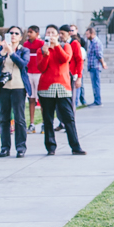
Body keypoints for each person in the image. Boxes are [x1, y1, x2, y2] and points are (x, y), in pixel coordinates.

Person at [38, 25, 86, 156]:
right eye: (48, 33)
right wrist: (46, 53)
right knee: (48, 119)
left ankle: (75, 146)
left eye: (53, 32)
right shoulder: (41, 50)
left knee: (69, 118)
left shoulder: (66, 46)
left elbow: (65, 59)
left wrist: (56, 46)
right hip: (46, 88)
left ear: (58, 35)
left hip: (63, 87)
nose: (51, 35)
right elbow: (41, 68)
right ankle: (51, 147)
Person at [0, 27, 31, 158]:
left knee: (19, 118)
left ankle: (20, 147)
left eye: (16, 33)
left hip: (18, 87)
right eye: (10, 33)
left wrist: (12, 53)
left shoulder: (24, 50)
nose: (13, 35)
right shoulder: (1, 49)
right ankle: (5, 148)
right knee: (4, 119)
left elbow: (23, 64)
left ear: (20, 37)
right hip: (4, 88)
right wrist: (3, 52)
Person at [23, 26, 44, 133]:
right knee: (31, 98)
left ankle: (44, 123)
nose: (29, 34)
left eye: (31, 32)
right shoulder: (25, 44)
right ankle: (31, 124)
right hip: (29, 73)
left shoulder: (41, 44)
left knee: (41, 99)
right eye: (28, 32)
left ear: (37, 33)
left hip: (39, 73)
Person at [60, 25, 84, 111]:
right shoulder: (61, 44)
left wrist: (79, 77)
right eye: (59, 33)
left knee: (71, 100)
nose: (60, 36)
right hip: (63, 75)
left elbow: (79, 60)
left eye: (63, 33)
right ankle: (62, 122)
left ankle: (71, 121)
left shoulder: (74, 43)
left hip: (72, 74)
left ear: (69, 33)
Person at [85, 28, 107, 107]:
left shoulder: (96, 42)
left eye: (87, 34)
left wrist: (103, 63)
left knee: (96, 84)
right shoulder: (91, 42)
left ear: (92, 33)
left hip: (96, 66)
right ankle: (96, 100)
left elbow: (99, 55)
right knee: (94, 85)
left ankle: (98, 101)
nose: (86, 36)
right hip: (92, 66)